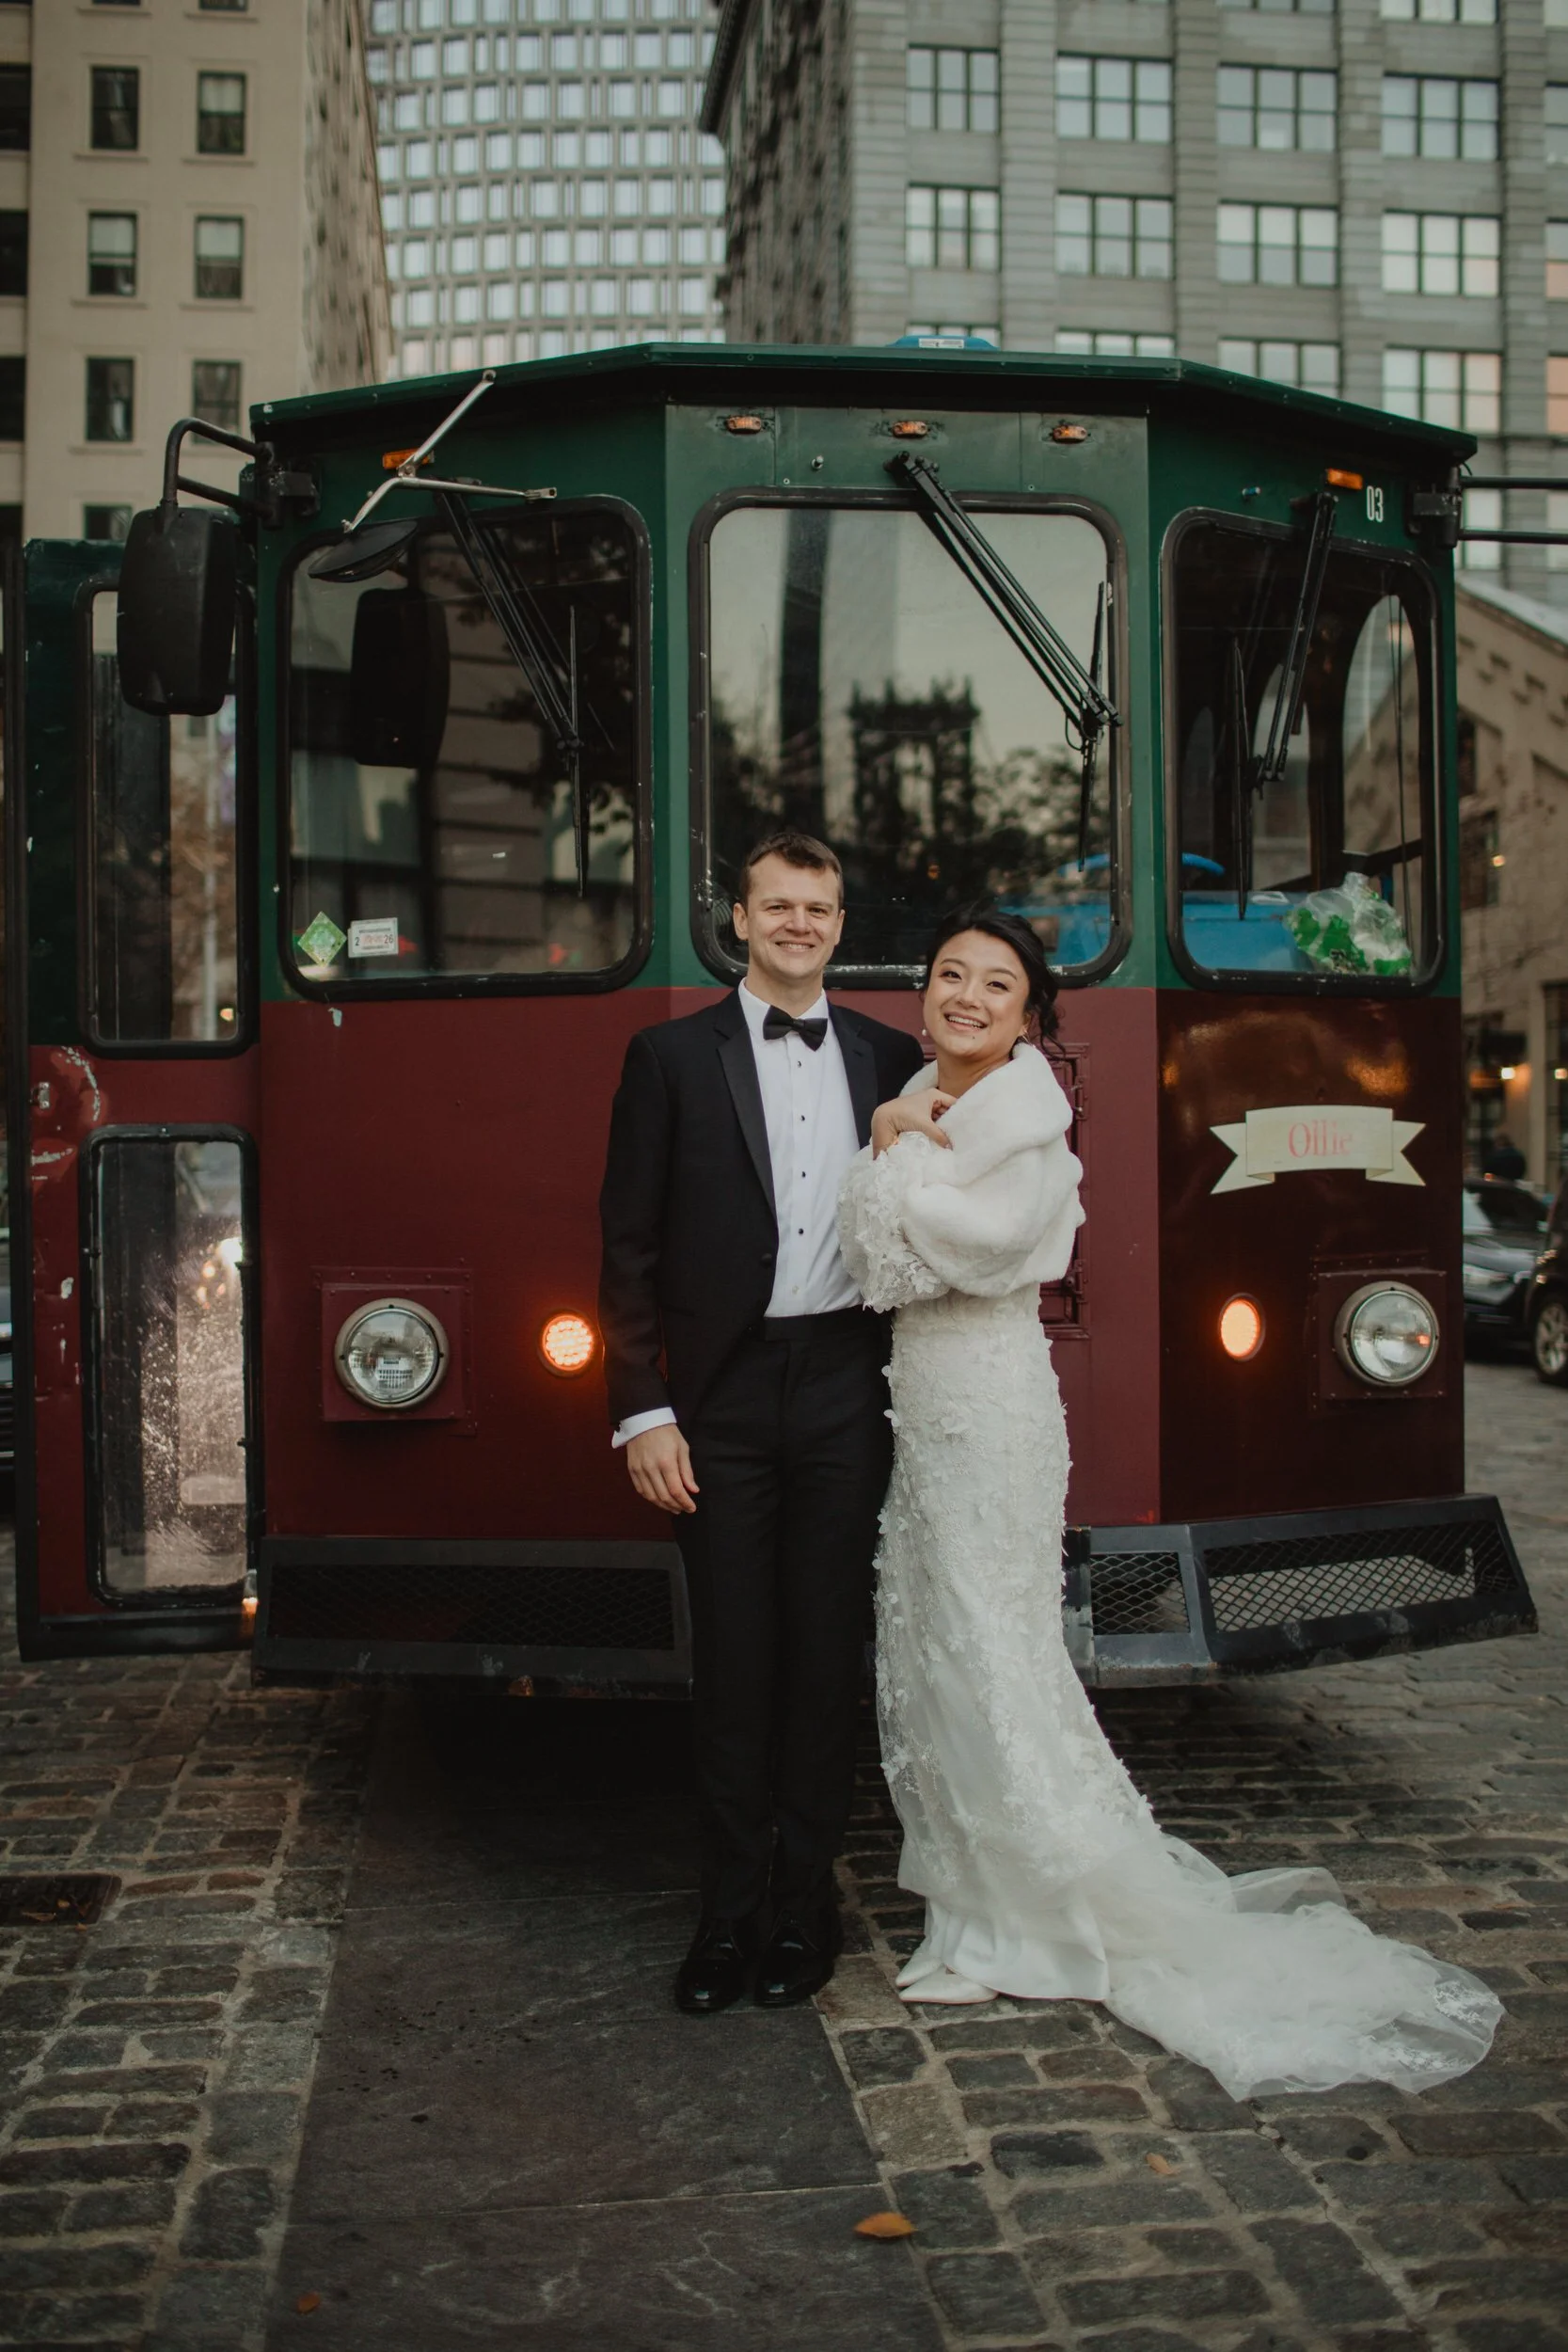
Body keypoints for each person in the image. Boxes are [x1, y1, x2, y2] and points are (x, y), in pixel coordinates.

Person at [836, 903, 1500, 2098]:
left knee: (991, 1652)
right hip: (929, 1419)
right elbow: (880, 1264)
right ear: (921, 993)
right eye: (948, 976)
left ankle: (1024, 1922)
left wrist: (885, 1161)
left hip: (988, 1414)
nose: (966, 996)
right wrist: (896, 1157)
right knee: (940, 1649)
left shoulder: (1020, 1119)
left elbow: (949, 1252)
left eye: (995, 983)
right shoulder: (941, 1109)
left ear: (1031, 1015)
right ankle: (976, 1901)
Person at [598, 832, 924, 2016]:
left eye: (819, 907)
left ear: (840, 924)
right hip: (719, 1399)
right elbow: (626, 1248)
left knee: (821, 1657)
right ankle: (725, 1917)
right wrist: (644, 1410)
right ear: (736, 919)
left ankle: (803, 1909)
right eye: (776, 905)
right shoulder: (669, 1058)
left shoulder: (894, 1058)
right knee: (734, 1663)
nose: (798, 923)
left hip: (846, 1384)